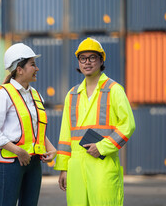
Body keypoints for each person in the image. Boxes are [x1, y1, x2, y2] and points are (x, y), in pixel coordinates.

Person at [54, 37, 136, 206]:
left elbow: (128, 125)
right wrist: (63, 168)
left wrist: (102, 147)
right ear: (78, 61)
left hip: (102, 166)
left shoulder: (114, 90)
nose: (87, 62)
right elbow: (65, 135)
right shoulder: (72, 94)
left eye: (92, 57)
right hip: (76, 168)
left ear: (101, 60)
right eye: (83, 58)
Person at [0, 43, 57, 206]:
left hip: (33, 163)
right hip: (10, 163)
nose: (37, 68)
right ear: (19, 69)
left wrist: (51, 148)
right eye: (33, 64)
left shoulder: (36, 95)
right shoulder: (3, 94)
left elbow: (35, 130)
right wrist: (18, 151)